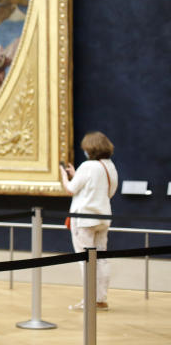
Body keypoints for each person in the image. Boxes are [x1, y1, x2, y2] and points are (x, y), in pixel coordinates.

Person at [60, 131, 118, 311]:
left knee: (85, 260)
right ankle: (100, 299)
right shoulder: (109, 166)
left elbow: (71, 189)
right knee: (101, 259)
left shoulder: (88, 166)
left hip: (84, 219)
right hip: (103, 217)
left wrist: (64, 175)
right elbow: (108, 191)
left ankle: (89, 300)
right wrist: (76, 174)